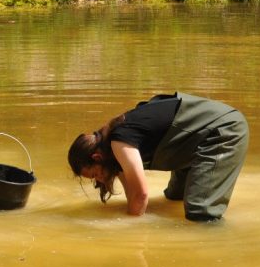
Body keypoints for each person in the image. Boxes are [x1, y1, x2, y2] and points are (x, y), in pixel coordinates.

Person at [67, 92, 249, 221]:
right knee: (174, 197)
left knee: (200, 211)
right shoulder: (113, 153)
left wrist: (130, 229)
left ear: (97, 157)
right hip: (193, 141)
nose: (98, 180)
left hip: (222, 131)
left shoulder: (119, 142)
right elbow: (133, 195)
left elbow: (141, 194)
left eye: (94, 174)